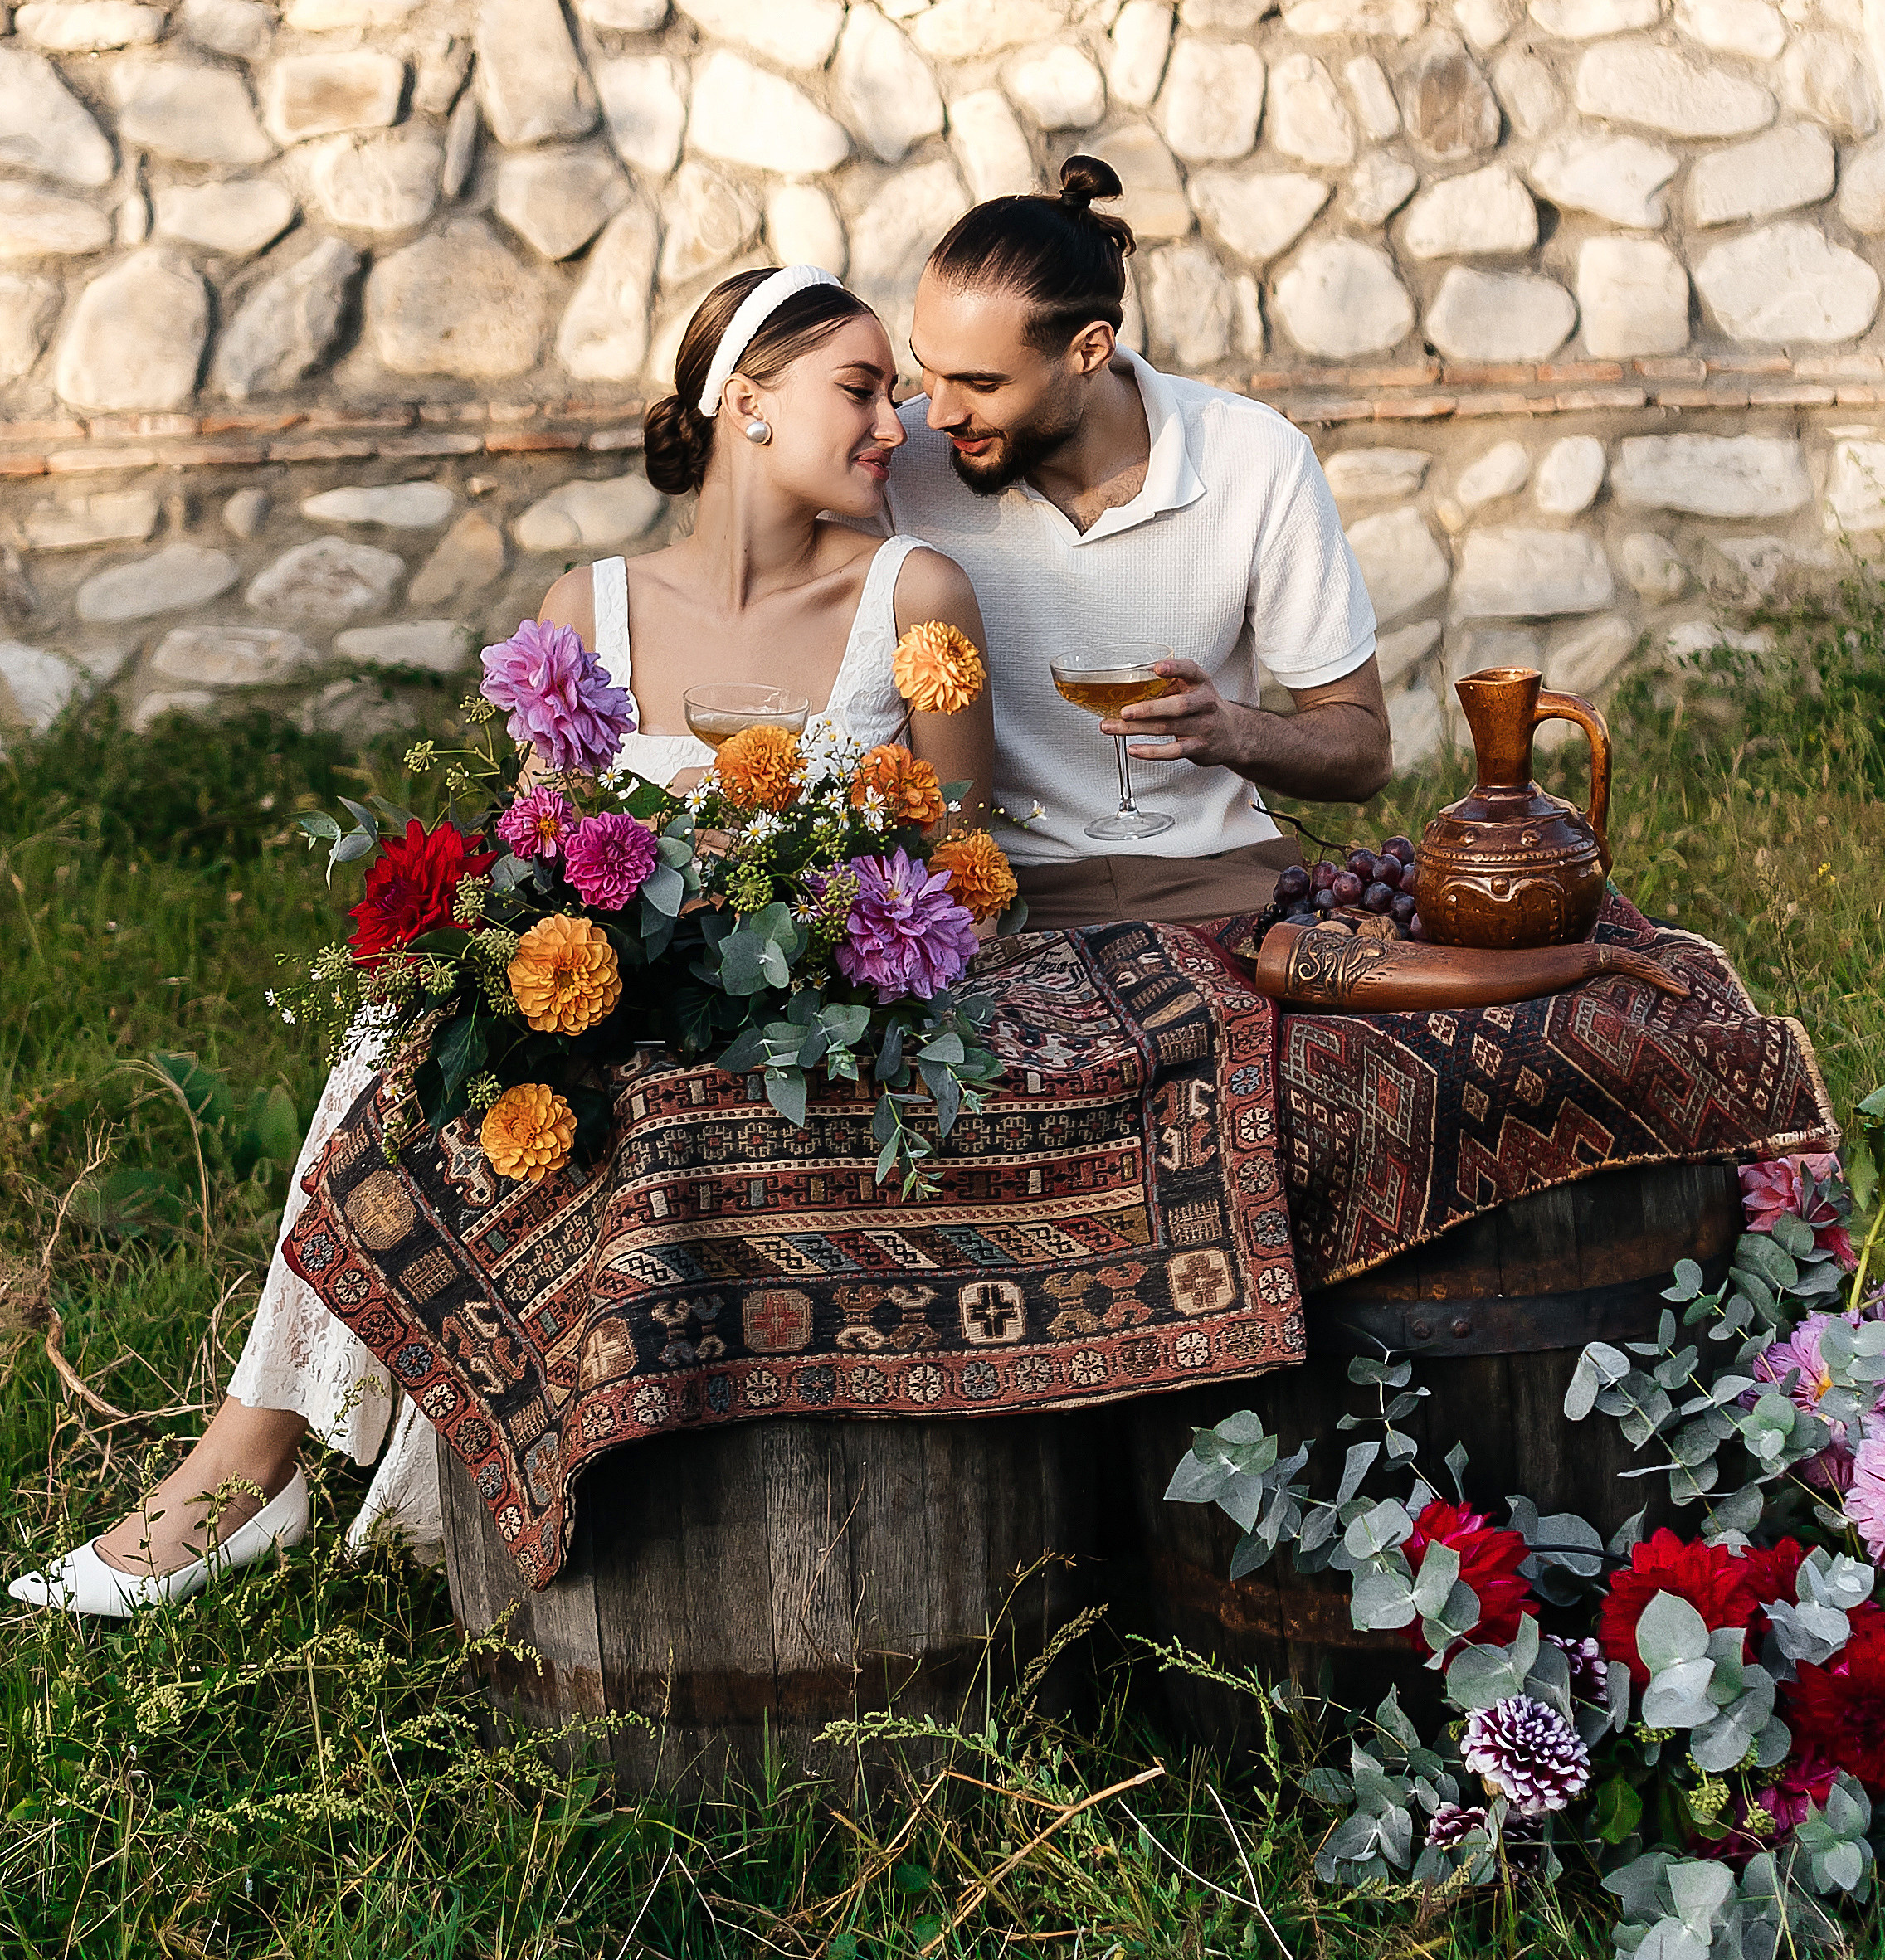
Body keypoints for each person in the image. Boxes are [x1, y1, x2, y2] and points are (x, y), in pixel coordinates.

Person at [10, 265, 993, 1617]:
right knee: (398, 1029)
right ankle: (251, 1464)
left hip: (799, 998)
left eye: (895, 392)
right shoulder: (587, 605)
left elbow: (979, 864)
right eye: (862, 389)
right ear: (748, 407)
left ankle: (269, 1475)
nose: (898, 422)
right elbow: (532, 854)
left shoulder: (917, 590)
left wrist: (806, 911)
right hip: (609, 982)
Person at [889, 155, 1390, 931]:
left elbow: (1363, 753)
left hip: (1216, 878)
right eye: (927, 368)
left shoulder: (1255, 457)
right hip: (991, 896)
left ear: (1090, 350)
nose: (938, 411)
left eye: (982, 385)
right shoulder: (902, 460)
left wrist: (1233, 731)